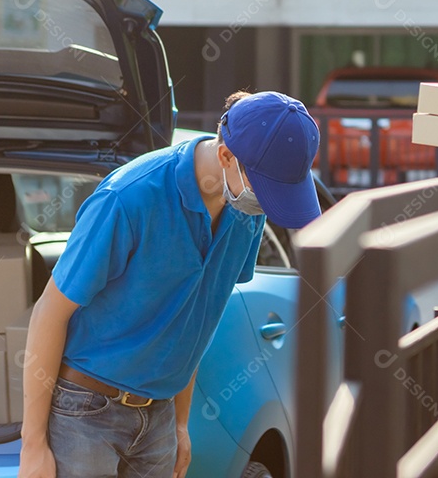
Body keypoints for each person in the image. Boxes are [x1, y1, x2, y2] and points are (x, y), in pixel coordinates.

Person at [19, 90, 322, 478]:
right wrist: (33, 445)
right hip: (85, 413)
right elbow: (49, 312)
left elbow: (196, 319)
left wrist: (180, 425)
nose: (267, 205)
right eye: (266, 191)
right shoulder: (127, 199)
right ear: (227, 156)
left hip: (158, 417)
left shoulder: (245, 211)